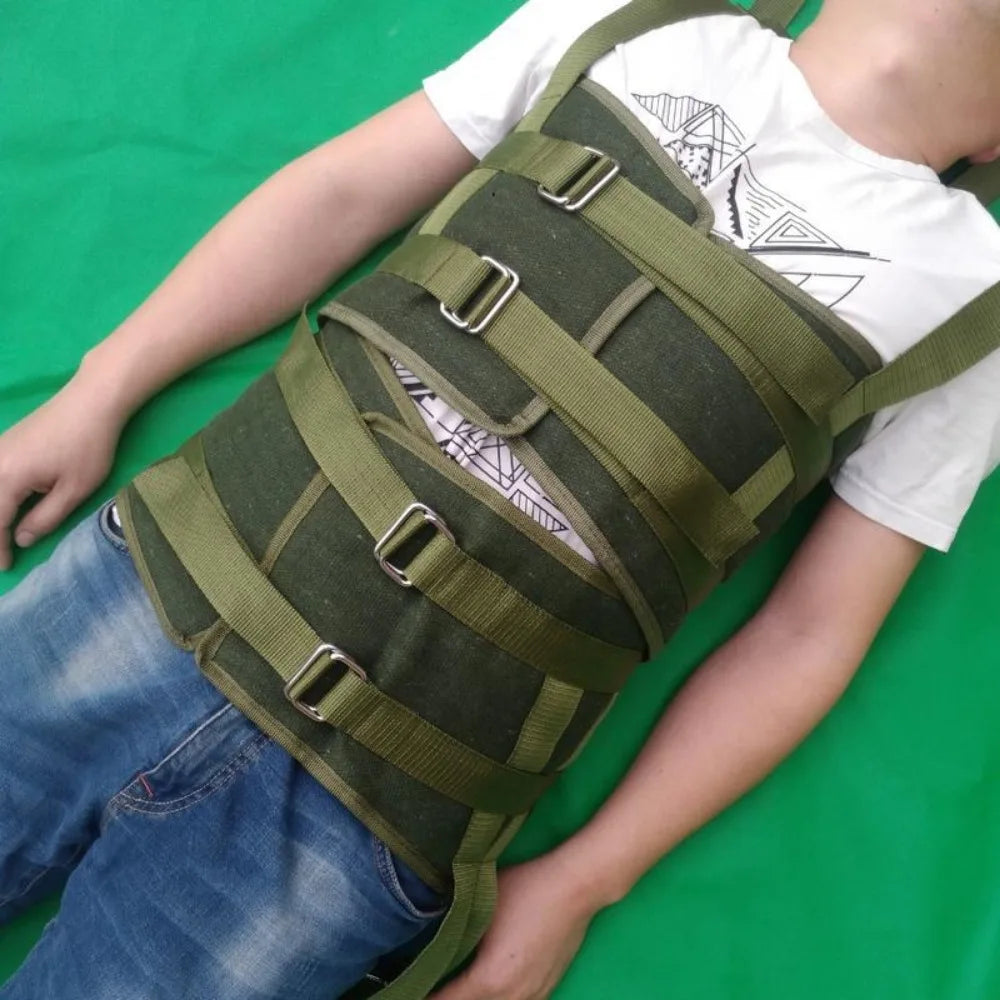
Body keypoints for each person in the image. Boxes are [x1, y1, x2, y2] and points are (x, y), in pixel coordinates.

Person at [1, 0, 999, 997]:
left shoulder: (975, 308)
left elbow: (811, 634)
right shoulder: (634, 20)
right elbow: (341, 194)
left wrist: (584, 880)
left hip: (365, 815)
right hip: (152, 584)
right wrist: (99, 389)